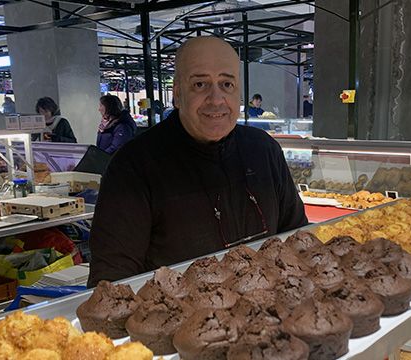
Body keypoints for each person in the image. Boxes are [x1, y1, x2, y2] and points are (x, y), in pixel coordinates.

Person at [88, 37, 307, 286]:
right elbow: (110, 282)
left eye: (226, 84)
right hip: (173, 320)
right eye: (200, 84)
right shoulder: (132, 167)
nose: (216, 99)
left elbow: (297, 241)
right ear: (178, 94)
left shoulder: (265, 150)